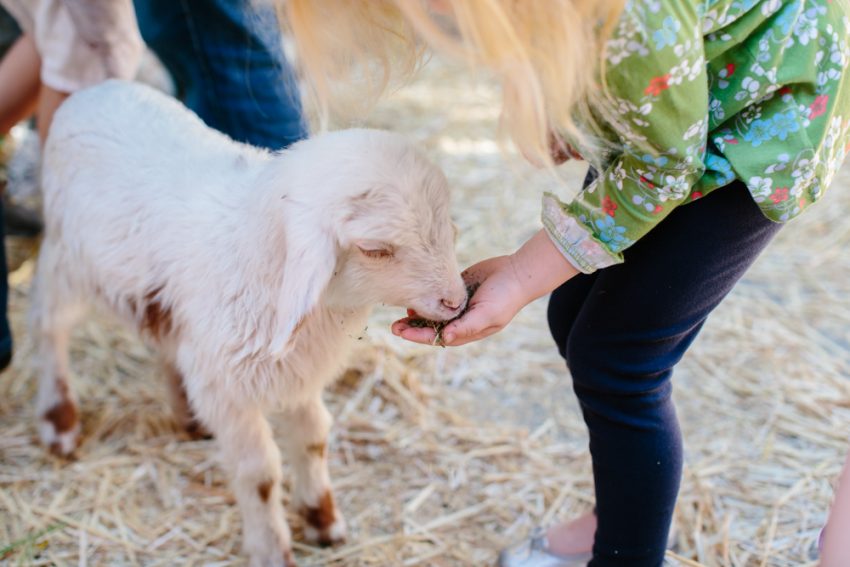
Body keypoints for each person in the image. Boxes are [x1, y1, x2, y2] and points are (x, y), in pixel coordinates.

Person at [279, 1, 850, 566]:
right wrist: (574, 105)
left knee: (619, 362)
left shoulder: (633, 17)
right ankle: (625, 511)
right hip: (676, 101)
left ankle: (627, 554)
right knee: (572, 313)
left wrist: (522, 275)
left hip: (759, 118)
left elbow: (663, 168)